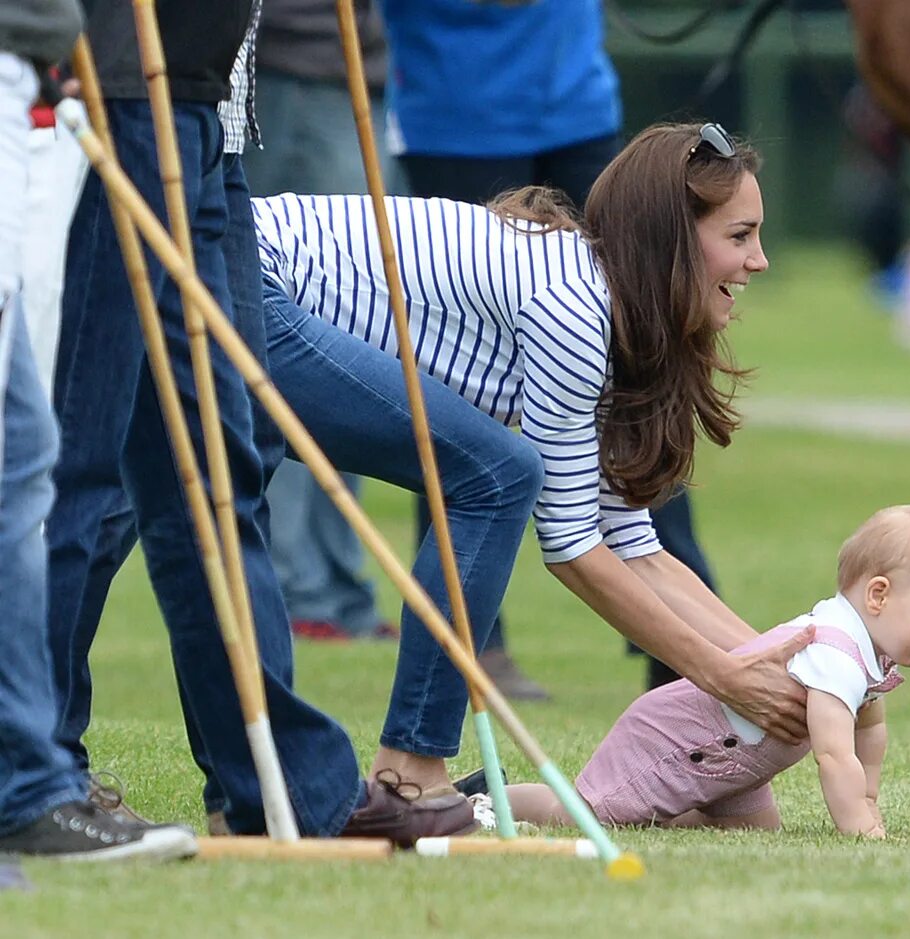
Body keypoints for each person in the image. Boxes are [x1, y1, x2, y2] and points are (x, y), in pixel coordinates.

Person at [249, 121, 812, 797]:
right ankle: (409, 772)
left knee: (121, 504)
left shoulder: (604, 307)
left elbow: (633, 543)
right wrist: (724, 677)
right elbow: (573, 548)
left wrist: (784, 661)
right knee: (497, 475)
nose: (760, 260)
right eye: (739, 236)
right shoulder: (577, 310)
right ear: (672, 240)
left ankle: (392, 772)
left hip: (234, 267)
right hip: (247, 278)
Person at [46, 1, 473, 843]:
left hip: (211, 113)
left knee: (217, 467)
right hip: (123, 91)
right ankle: (33, 768)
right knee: (81, 455)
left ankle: (279, 784)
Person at [382, 0, 724, 696]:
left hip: (578, 103)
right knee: (453, 388)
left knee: (643, 360)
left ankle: (679, 630)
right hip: (458, 111)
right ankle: (476, 643)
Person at [0, 0, 195, 862]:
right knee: (32, 457)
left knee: (32, 455)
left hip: (42, 85)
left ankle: (31, 781)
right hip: (40, 94)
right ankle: (30, 781)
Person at [503, 505, 910, 835]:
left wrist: (870, 795)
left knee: (750, 829)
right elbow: (834, 753)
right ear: (878, 595)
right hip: (678, 740)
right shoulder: (835, 652)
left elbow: (869, 732)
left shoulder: (869, 653)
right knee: (587, 815)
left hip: (736, 766)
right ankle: (495, 800)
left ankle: (661, 815)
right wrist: (858, 820)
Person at [243, 0, 400, 643]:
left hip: (349, 69)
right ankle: (298, 587)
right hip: (290, 70)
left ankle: (335, 585)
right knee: (294, 328)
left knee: (352, 327)